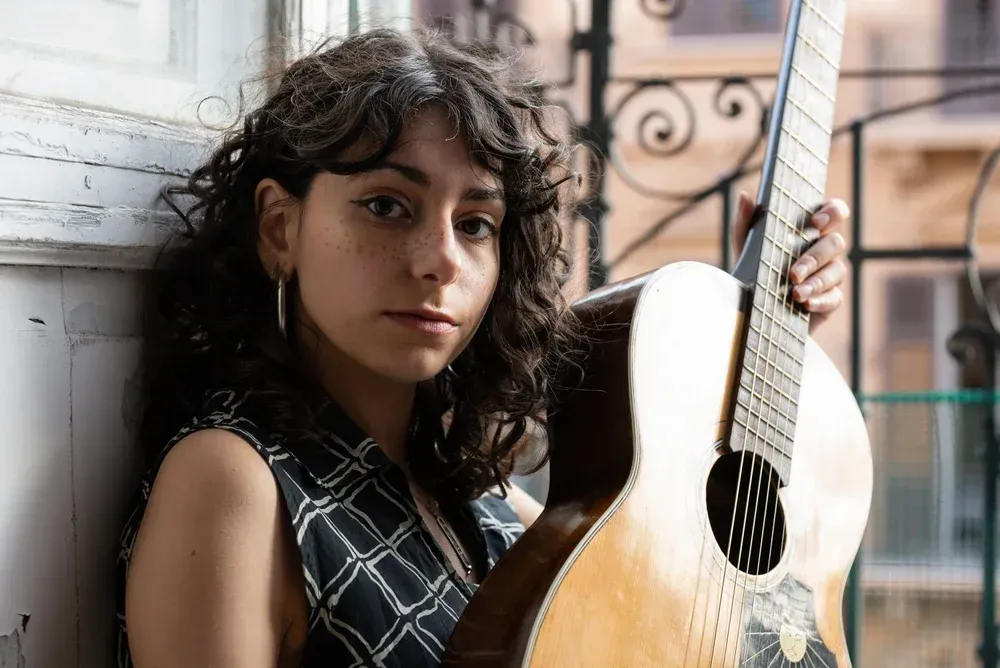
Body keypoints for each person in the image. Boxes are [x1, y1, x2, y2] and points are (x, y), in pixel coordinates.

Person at [114, 26, 852, 668]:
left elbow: (687, 622)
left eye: (475, 223)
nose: (440, 259)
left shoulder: (480, 498)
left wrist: (769, 326)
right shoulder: (234, 482)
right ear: (280, 228)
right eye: (386, 206)